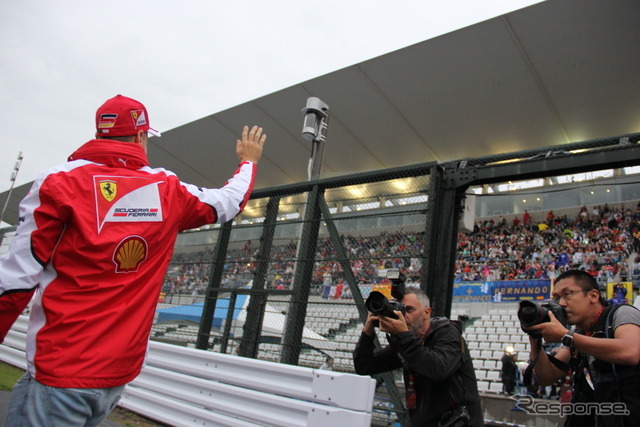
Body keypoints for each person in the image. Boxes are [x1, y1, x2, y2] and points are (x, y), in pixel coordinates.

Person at [0, 94, 266, 426]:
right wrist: (248, 161)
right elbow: (229, 200)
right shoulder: (168, 189)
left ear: (99, 133)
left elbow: (14, 280)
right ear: (141, 136)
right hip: (116, 375)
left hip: (60, 369)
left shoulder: (59, 182)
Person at [353, 286, 483, 426]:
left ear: (427, 312)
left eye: (408, 310)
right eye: (400, 310)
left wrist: (403, 334)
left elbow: (437, 369)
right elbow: (363, 366)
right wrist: (368, 332)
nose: (404, 316)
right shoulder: (406, 342)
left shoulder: (447, 333)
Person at [526, 269, 640, 426]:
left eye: (567, 294)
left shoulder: (621, 314)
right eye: (557, 298)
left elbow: (630, 351)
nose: (561, 304)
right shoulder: (578, 334)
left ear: (593, 295)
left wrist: (566, 336)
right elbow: (547, 377)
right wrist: (535, 338)